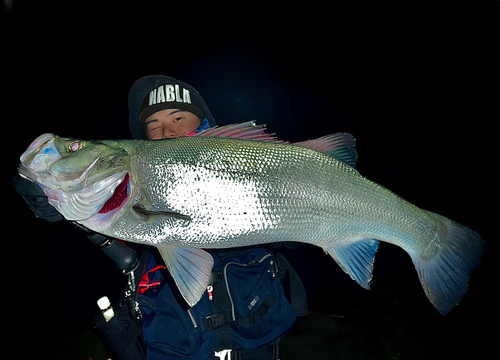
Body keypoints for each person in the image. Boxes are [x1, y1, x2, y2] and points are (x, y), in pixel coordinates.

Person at [14, 75, 307, 360]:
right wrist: (48, 200)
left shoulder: (246, 165)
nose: (167, 131)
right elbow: (94, 216)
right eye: (154, 125)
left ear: (204, 124)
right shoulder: (133, 186)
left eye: (178, 118)